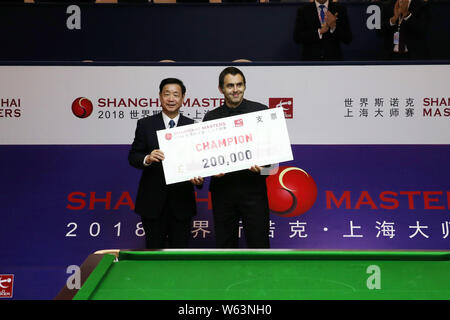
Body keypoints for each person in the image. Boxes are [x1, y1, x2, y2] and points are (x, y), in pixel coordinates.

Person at [128, 78, 203, 249]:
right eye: (167, 94)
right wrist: (147, 158)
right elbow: (133, 156)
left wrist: (199, 180)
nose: (171, 99)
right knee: (153, 254)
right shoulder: (145, 125)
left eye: (176, 94)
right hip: (152, 203)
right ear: (160, 97)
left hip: (182, 203)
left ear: (183, 98)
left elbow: (197, 162)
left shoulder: (192, 126)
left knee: (180, 255)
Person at [202, 67, 270, 248]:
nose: (235, 89)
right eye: (230, 85)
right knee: (225, 248)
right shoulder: (211, 118)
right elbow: (205, 160)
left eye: (239, 85)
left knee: (260, 246)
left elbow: (274, 165)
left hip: (254, 193)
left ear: (245, 86)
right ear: (221, 89)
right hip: (223, 194)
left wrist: (263, 169)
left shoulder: (261, 113)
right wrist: (211, 172)